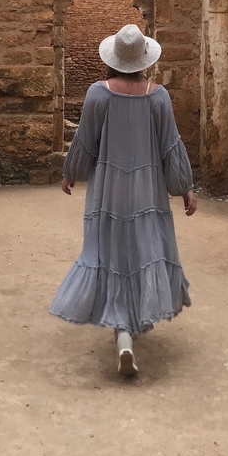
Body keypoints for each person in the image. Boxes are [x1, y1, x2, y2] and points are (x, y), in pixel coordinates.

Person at [49, 24, 197, 376]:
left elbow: (85, 140)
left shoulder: (98, 94)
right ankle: (129, 326)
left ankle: (123, 332)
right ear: (144, 60)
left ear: (113, 59)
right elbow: (170, 145)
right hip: (148, 189)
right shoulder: (158, 97)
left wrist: (71, 172)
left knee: (110, 253)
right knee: (143, 252)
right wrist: (185, 187)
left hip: (109, 188)